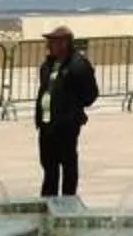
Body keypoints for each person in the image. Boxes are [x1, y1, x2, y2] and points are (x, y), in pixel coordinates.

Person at [32, 26, 98, 201]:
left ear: (64, 43)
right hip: (47, 124)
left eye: (53, 42)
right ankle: (49, 201)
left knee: (68, 164)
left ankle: (68, 201)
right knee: (49, 167)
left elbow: (90, 94)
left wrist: (73, 110)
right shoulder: (48, 65)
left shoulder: (78, 65)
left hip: (66, 125)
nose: (49, 45)